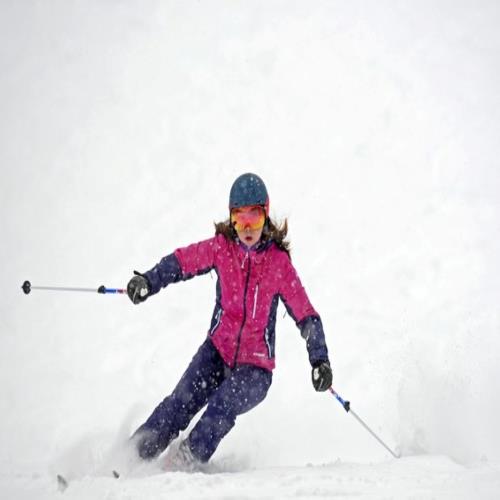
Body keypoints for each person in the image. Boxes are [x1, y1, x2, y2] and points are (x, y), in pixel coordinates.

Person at [126, 173, 332, 469]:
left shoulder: (278, 264)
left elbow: (306, 314)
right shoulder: (221, 249)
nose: (248, 227)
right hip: (216, 353)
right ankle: (130, 460)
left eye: (255, 217)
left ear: (266, 215)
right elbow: (181, 262)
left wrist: (319, 360)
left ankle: (184, 462)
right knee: (178, 404)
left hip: (255, 370)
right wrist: (148, 280)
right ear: (231, 218)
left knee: (222, 406)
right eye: (240, 218)